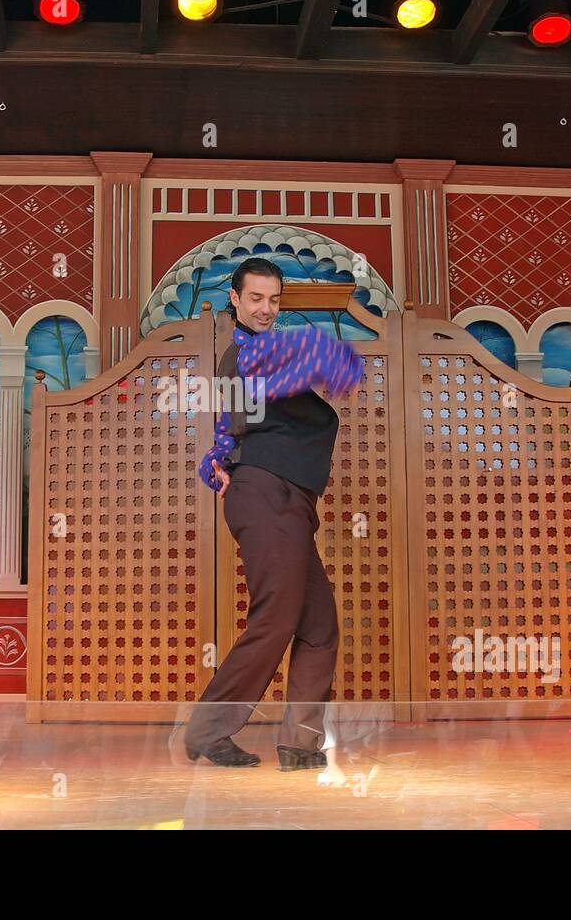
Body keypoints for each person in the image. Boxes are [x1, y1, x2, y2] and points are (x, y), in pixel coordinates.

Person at [183, 257, 364, 770]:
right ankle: (208, 729)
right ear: (235, 300)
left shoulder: (263, 356)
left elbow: (231, 424)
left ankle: (299, 743)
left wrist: (219, 456)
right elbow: (243, 408)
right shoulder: (246, 355)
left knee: (319, 625)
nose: (266, 308)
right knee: (277, 616)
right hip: (267, 496)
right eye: (255, 298)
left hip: (289, 502)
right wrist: (319, 359)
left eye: (274, 300)